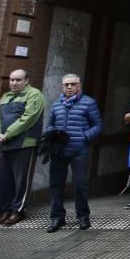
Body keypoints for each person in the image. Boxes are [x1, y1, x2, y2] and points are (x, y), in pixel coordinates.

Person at [45, 73, 103, 232]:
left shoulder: (89, 103)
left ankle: (83, 216)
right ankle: (57, 217)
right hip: (58, 151)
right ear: (62, 87)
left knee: (80, 184)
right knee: (56, 185)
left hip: (79, 150)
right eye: (66, 85)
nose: (69, 87)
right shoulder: (57, 104)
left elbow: (98, 126)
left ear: (79, 86)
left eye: (72, 84)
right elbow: (50, 124)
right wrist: (52, 133)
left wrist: (84, 137)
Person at [0, 69, 45, 226]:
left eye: (18, 80)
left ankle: (18, 210)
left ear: (26, 80)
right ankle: (5, 210)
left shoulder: (34, 94)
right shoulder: (5, 97)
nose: (14, 83)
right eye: (12, 80)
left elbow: (29, 118)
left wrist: (8, 133)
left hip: (24, 143)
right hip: (5, 144)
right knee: (4, 179)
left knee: (21, 180)